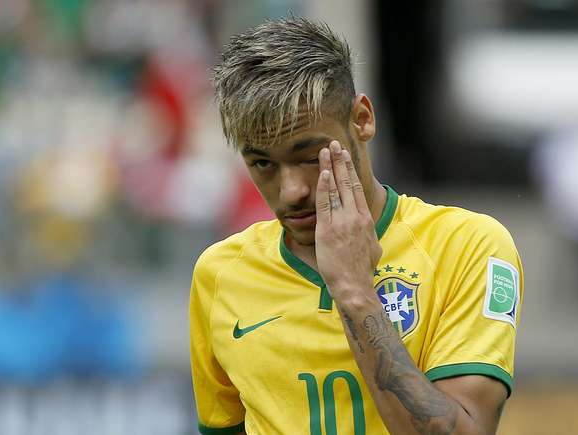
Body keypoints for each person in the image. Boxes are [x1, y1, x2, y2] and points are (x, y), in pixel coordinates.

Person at [189, 17, 523, 435]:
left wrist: (354, 291)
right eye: (262, 164)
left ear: (362, 119)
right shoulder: (219, 274)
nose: (290, 190)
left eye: (309, 156)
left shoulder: (469, 246)